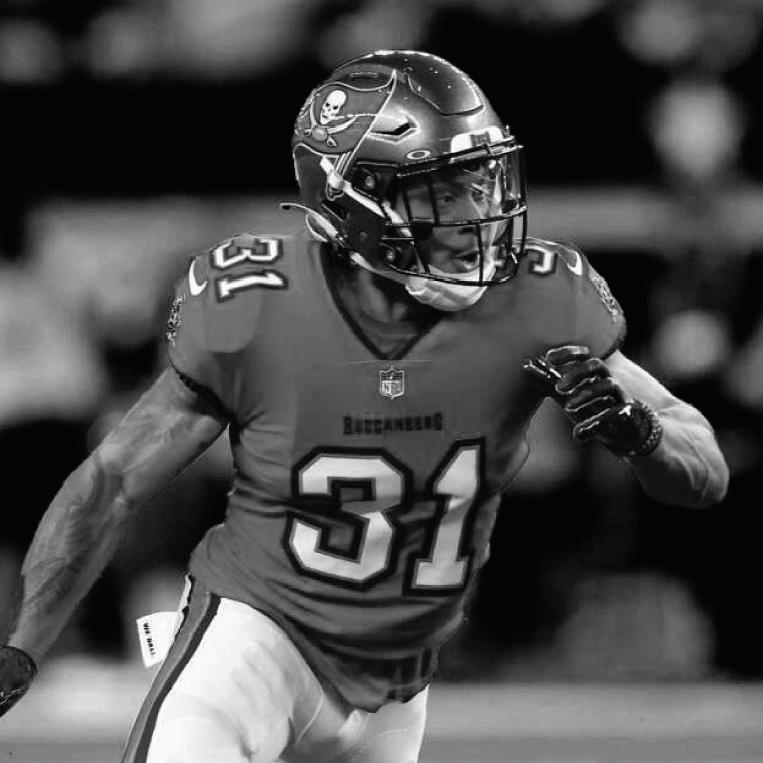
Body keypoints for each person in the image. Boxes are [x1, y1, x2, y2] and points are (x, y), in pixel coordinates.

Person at [0, 50, 728, 763]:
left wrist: (641, 435)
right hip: (255, 638)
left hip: (399, 687)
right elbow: (113, 481)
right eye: (440, 191)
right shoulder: (257, 306)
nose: (477, 212)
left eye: (480, 181)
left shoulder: (540, 297)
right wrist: (21, 648)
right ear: (351, 201)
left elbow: (703, 470)